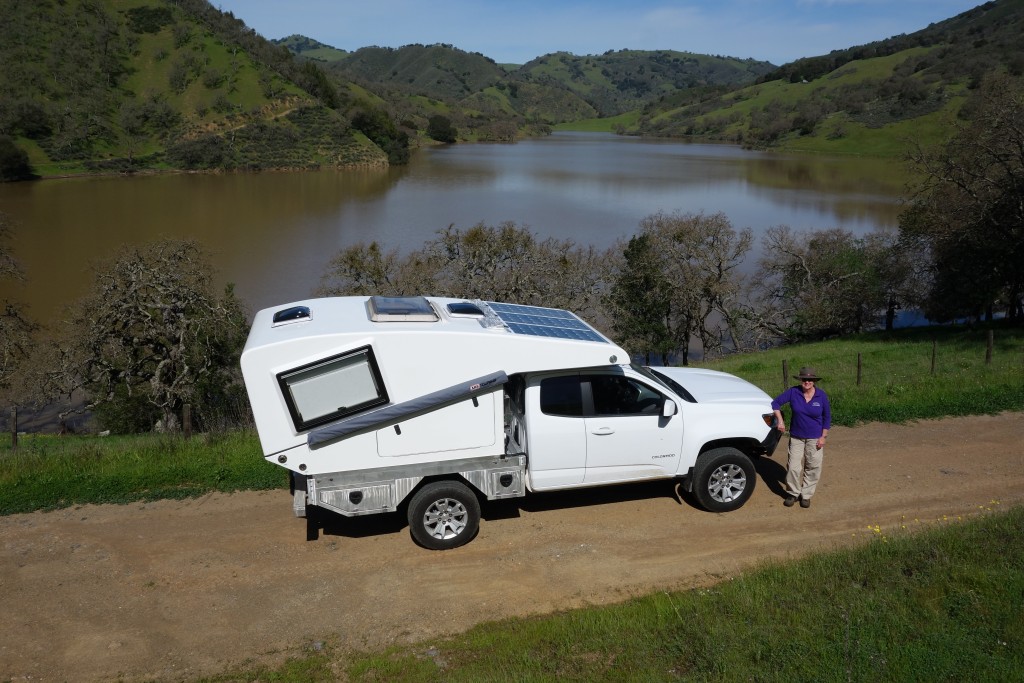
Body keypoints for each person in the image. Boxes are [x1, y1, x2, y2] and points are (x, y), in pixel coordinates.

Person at [772, 367, 831, 508]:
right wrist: (780, 420)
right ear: (801, 380)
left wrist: (823, 437)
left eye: (810, 379)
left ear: (814, 381)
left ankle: (806, 495)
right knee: (793, 467)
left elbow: (827, 418)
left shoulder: (821, 396)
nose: (807, 382)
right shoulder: (794, 392)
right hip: (796, 437)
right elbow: (775, 403)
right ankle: (793, 493)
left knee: (813, 466)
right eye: (804, 379)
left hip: (815, 437)